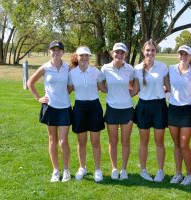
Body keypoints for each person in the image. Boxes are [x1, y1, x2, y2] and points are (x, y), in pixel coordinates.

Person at [27, 41, 72, 182]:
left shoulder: (68, 68)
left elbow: (72, 84)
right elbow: (30, 82)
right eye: (53, 50)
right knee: (52, 140)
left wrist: (66, 92)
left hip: (64, 108)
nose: (56, 52)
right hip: (50, 108)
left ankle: (66, 170)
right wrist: (38, 98)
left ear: (63, 52)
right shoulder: (45, 67)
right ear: (49, 51)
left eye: (59, 50)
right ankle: (55, 170)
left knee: (63, 141)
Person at [132, 39, 170, 182]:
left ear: (156, 51)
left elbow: (169, 87)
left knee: (159, 141)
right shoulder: (136, 68)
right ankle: (143, 170)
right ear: (143, 51)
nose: (150, 52)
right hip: (143, 107)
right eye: (148, 50)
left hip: (159, 106)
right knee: (144, 141)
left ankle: (160, 171)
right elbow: (135, 90)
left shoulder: (163, 67)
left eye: (153, 50)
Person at [68, 46, 106, 182]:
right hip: (79, 108)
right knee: (81, 141)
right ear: (77, 57)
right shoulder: (72, 73)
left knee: (95, 141)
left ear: (90, 57)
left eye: (86, 56)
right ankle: (82, 168)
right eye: (81, 56)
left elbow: (103, 88)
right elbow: (67, 90)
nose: (84, 58)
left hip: (94, 107)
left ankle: (97, 169)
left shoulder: (96, 72)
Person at [100, 43, 135, 180]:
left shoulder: (130, 69)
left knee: (126, 141)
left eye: (122, 53)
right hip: (112, 109)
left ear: (125, 55)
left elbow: (132, 85)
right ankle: (114, 168)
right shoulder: (105, 69)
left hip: (127, 109)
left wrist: (127, 94)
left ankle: (124, 169)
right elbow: (101, 84)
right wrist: (108, 91)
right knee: (113, 141)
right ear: (112, 53)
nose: (119, 55)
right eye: (117, 52)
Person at [168, 45, 191, 185]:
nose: (183, 56)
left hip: (187, 111)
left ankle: (189, 175)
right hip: (173, 109)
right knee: (176, 144)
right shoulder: (171, 69)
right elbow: (165, 84)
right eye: (181, 54)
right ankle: (178, 173)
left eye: (186, 54)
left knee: (184, 144)